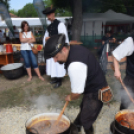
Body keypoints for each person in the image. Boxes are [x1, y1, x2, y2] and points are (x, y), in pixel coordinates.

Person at [44, 34, 108, 134]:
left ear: (64, 49)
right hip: (93, 84)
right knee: (84, 108)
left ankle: (85, 128)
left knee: (86, 120)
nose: (55, 61)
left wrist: (70, 97)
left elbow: (77, 93)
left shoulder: (75, 66)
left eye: (56, 57)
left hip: (96, 91)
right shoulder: (72, 48)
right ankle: (77, 126)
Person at [42, 6, 69, 88]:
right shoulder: (49, 27)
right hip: (52, 49)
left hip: (58, 49)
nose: (48, 16)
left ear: (53, 14)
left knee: (58, 65)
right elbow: (45, 38)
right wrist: (46, 40)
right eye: (47, 15)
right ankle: (56, 79)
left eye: (49, 14)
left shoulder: (60, 24)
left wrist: (50, 38)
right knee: (53, 65)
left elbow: (62, 37)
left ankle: (59, 80)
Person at [112, 35, 134, 110]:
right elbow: (116, 55)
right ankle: (120, 120)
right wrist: (117, 71)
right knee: (125, 103)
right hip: (131, 79)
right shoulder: (131, 41)